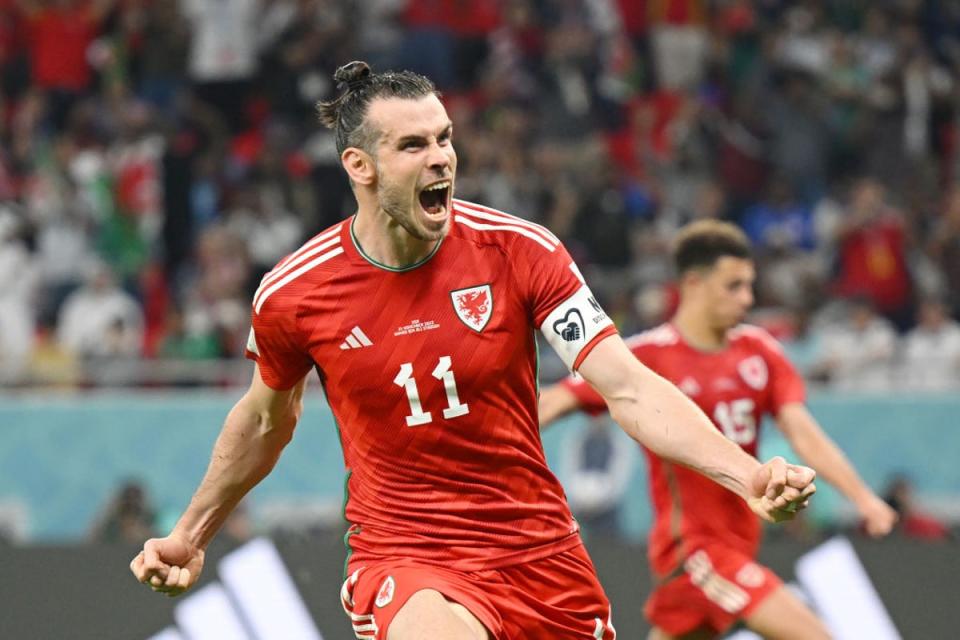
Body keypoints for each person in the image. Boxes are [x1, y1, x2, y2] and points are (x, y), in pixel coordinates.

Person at [130, 62, 816, 640]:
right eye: (413, 146)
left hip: (540, 553)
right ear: (359, 166)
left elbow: (628, 387)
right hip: (406, 554)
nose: (440, 158)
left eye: (445, 138)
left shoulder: (522, 252)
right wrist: (191, 534)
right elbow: (262, 421)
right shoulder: (295, 293)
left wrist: (747, 475)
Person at [539, 220, 897, 640]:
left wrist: (862, 499)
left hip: (738, 543)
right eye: (734, 286)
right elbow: (554, 400)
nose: (747, 299)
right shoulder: (645, 358)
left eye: (750, 286)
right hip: (694, 552)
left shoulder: (759, 352)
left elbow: (804, 433)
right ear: (693, 283)